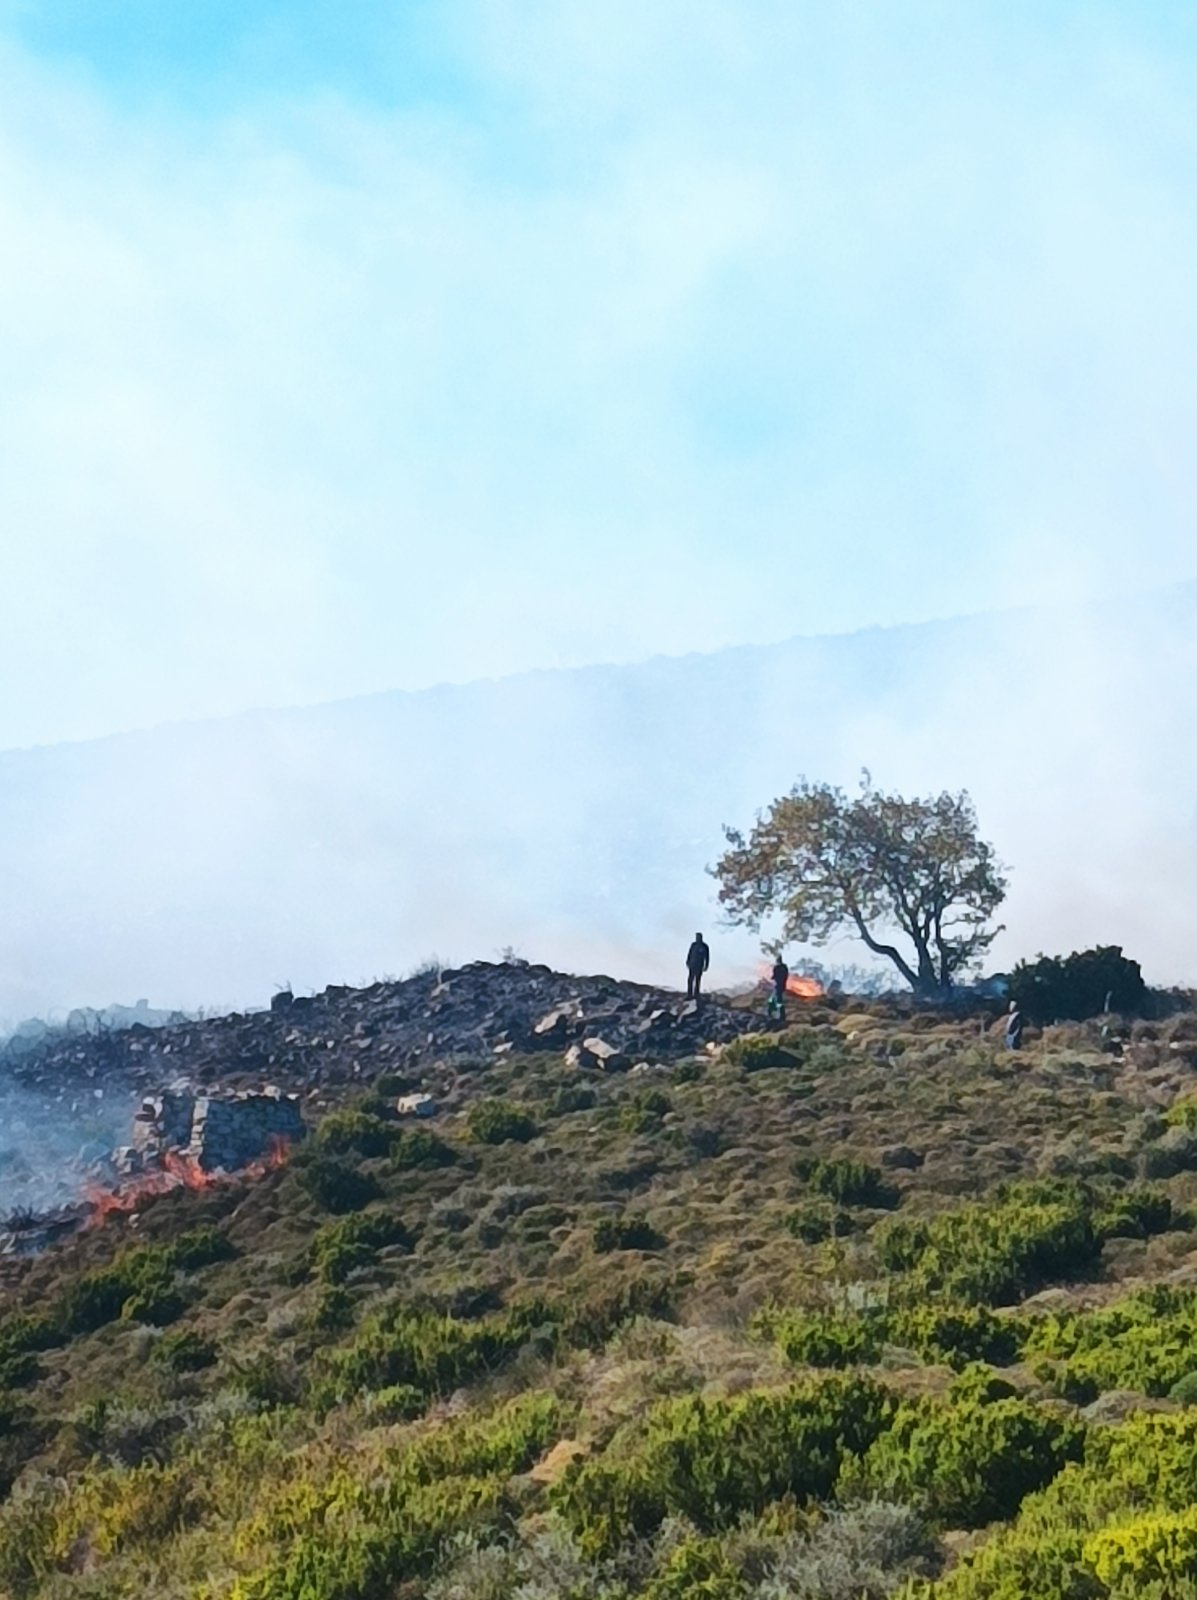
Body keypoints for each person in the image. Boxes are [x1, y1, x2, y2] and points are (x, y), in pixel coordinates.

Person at [686, 933, 710, 1000]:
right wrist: (687, 962)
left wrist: (706, 965)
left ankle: (696, 994)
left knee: (697, 980)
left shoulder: (704, 946)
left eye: (698, 937)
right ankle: (689, 994)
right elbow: (689, 954)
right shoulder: (693, 945)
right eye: (696, 937)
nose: (697, 938)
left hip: (700, 965)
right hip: (692, 965)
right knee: (690, 980)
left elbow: (707, 957)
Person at [767, 955, 790, 1021]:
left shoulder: (777, 967)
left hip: (777, 986)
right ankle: (779, 1015)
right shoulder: (784, 967)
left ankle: (778, 1015)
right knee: (777, 1000)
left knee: (774, 1001)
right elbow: (786, 976)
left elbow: (773, 977)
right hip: (782, 986)